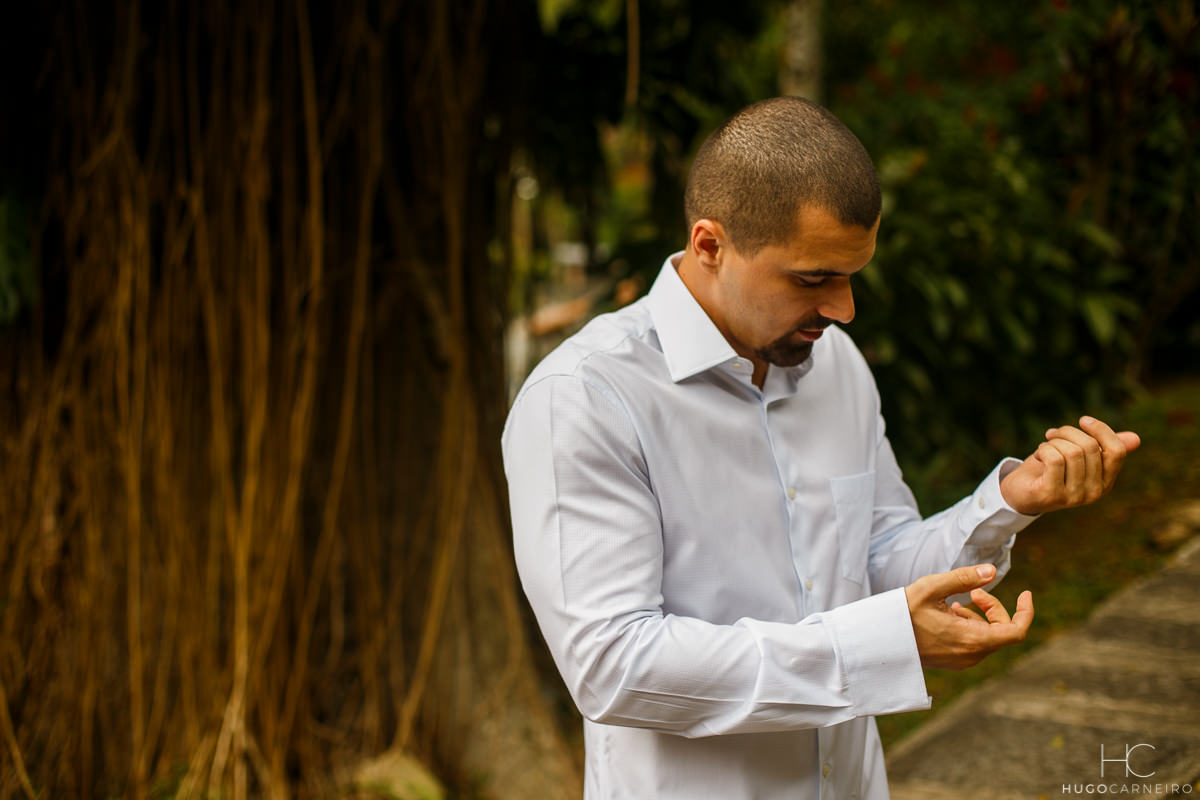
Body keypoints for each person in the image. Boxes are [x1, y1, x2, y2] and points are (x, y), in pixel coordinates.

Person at [500, 96, 1139, 800]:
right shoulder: (584, 398)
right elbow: (614, 666)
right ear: (709, 246)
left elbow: (877, 562)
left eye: (851, 275)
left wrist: (1010, 502)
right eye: (813, 279)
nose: (844, 310)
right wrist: (876, 648)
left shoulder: (837, 364)